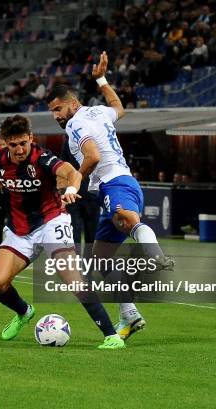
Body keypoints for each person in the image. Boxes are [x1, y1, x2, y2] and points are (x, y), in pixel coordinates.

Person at [47, 51, 174, 341]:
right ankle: (130, 315)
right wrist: (102, 79)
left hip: (115, 182)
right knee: (100, 259)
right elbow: (119, 107)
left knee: (126, 218)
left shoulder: (75, 124)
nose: (56, 116)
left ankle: (156, 256)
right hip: (116, 184)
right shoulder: (98, 111)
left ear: (72, 104)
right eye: (52, 111)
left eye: (58, 109)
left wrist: (73, 185)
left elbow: (91, 156)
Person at [0, 114, 125, 350]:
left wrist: (71, 187)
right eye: (13, 145)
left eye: (23, 143)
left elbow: (72, 172)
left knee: (73, 279)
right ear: (4, 143)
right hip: (20, 231)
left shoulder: (42, 158)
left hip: (52, 221)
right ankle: (24, 312)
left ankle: (111, 335)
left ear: (30, 138)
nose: (20, 149)